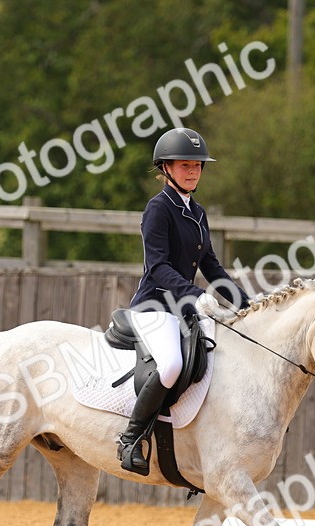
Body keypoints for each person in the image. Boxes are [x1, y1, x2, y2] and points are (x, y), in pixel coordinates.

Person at [117, 127, 251, 476]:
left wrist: (247, 304)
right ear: (165, 168)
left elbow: (212, 266)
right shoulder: (158, 209)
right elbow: (158, 267)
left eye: (197, 165)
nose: (192, 171)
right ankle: (130, 437)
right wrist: (196, 294)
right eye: (184, 165)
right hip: (154, 306)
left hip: (185, 308)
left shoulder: (199, 212)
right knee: (173, 365)